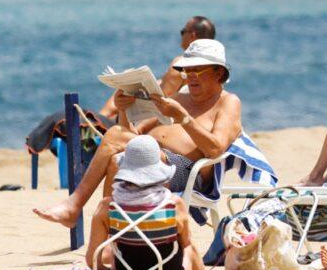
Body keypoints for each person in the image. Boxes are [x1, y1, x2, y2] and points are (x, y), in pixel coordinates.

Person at [34, 39, 242, 228]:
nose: (191, 78)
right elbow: (132, 132)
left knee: (116, 135)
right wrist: (123, 109)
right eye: (187, 72)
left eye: (198, 71)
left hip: (186, 172)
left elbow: (215, 149)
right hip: (150, 155)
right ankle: (111, 238)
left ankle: (74, 205)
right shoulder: (179, 97)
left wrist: (183, 118)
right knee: (116, 158)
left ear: (218, 73)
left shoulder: (227, 102)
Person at [85, 135, 205, 270]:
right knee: (189, 244)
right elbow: (186, 243)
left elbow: (92, 260)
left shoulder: (107, 206)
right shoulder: (173, 204)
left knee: (114, 248)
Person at [99, 16, 217, 119]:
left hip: (156, 116)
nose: (181, 36)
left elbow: (163, 98)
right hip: (181, 113)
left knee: (122, 92)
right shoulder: (214, 68)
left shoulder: (182, 63)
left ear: (192, 35)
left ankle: (98, 120)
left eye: (183, 32)